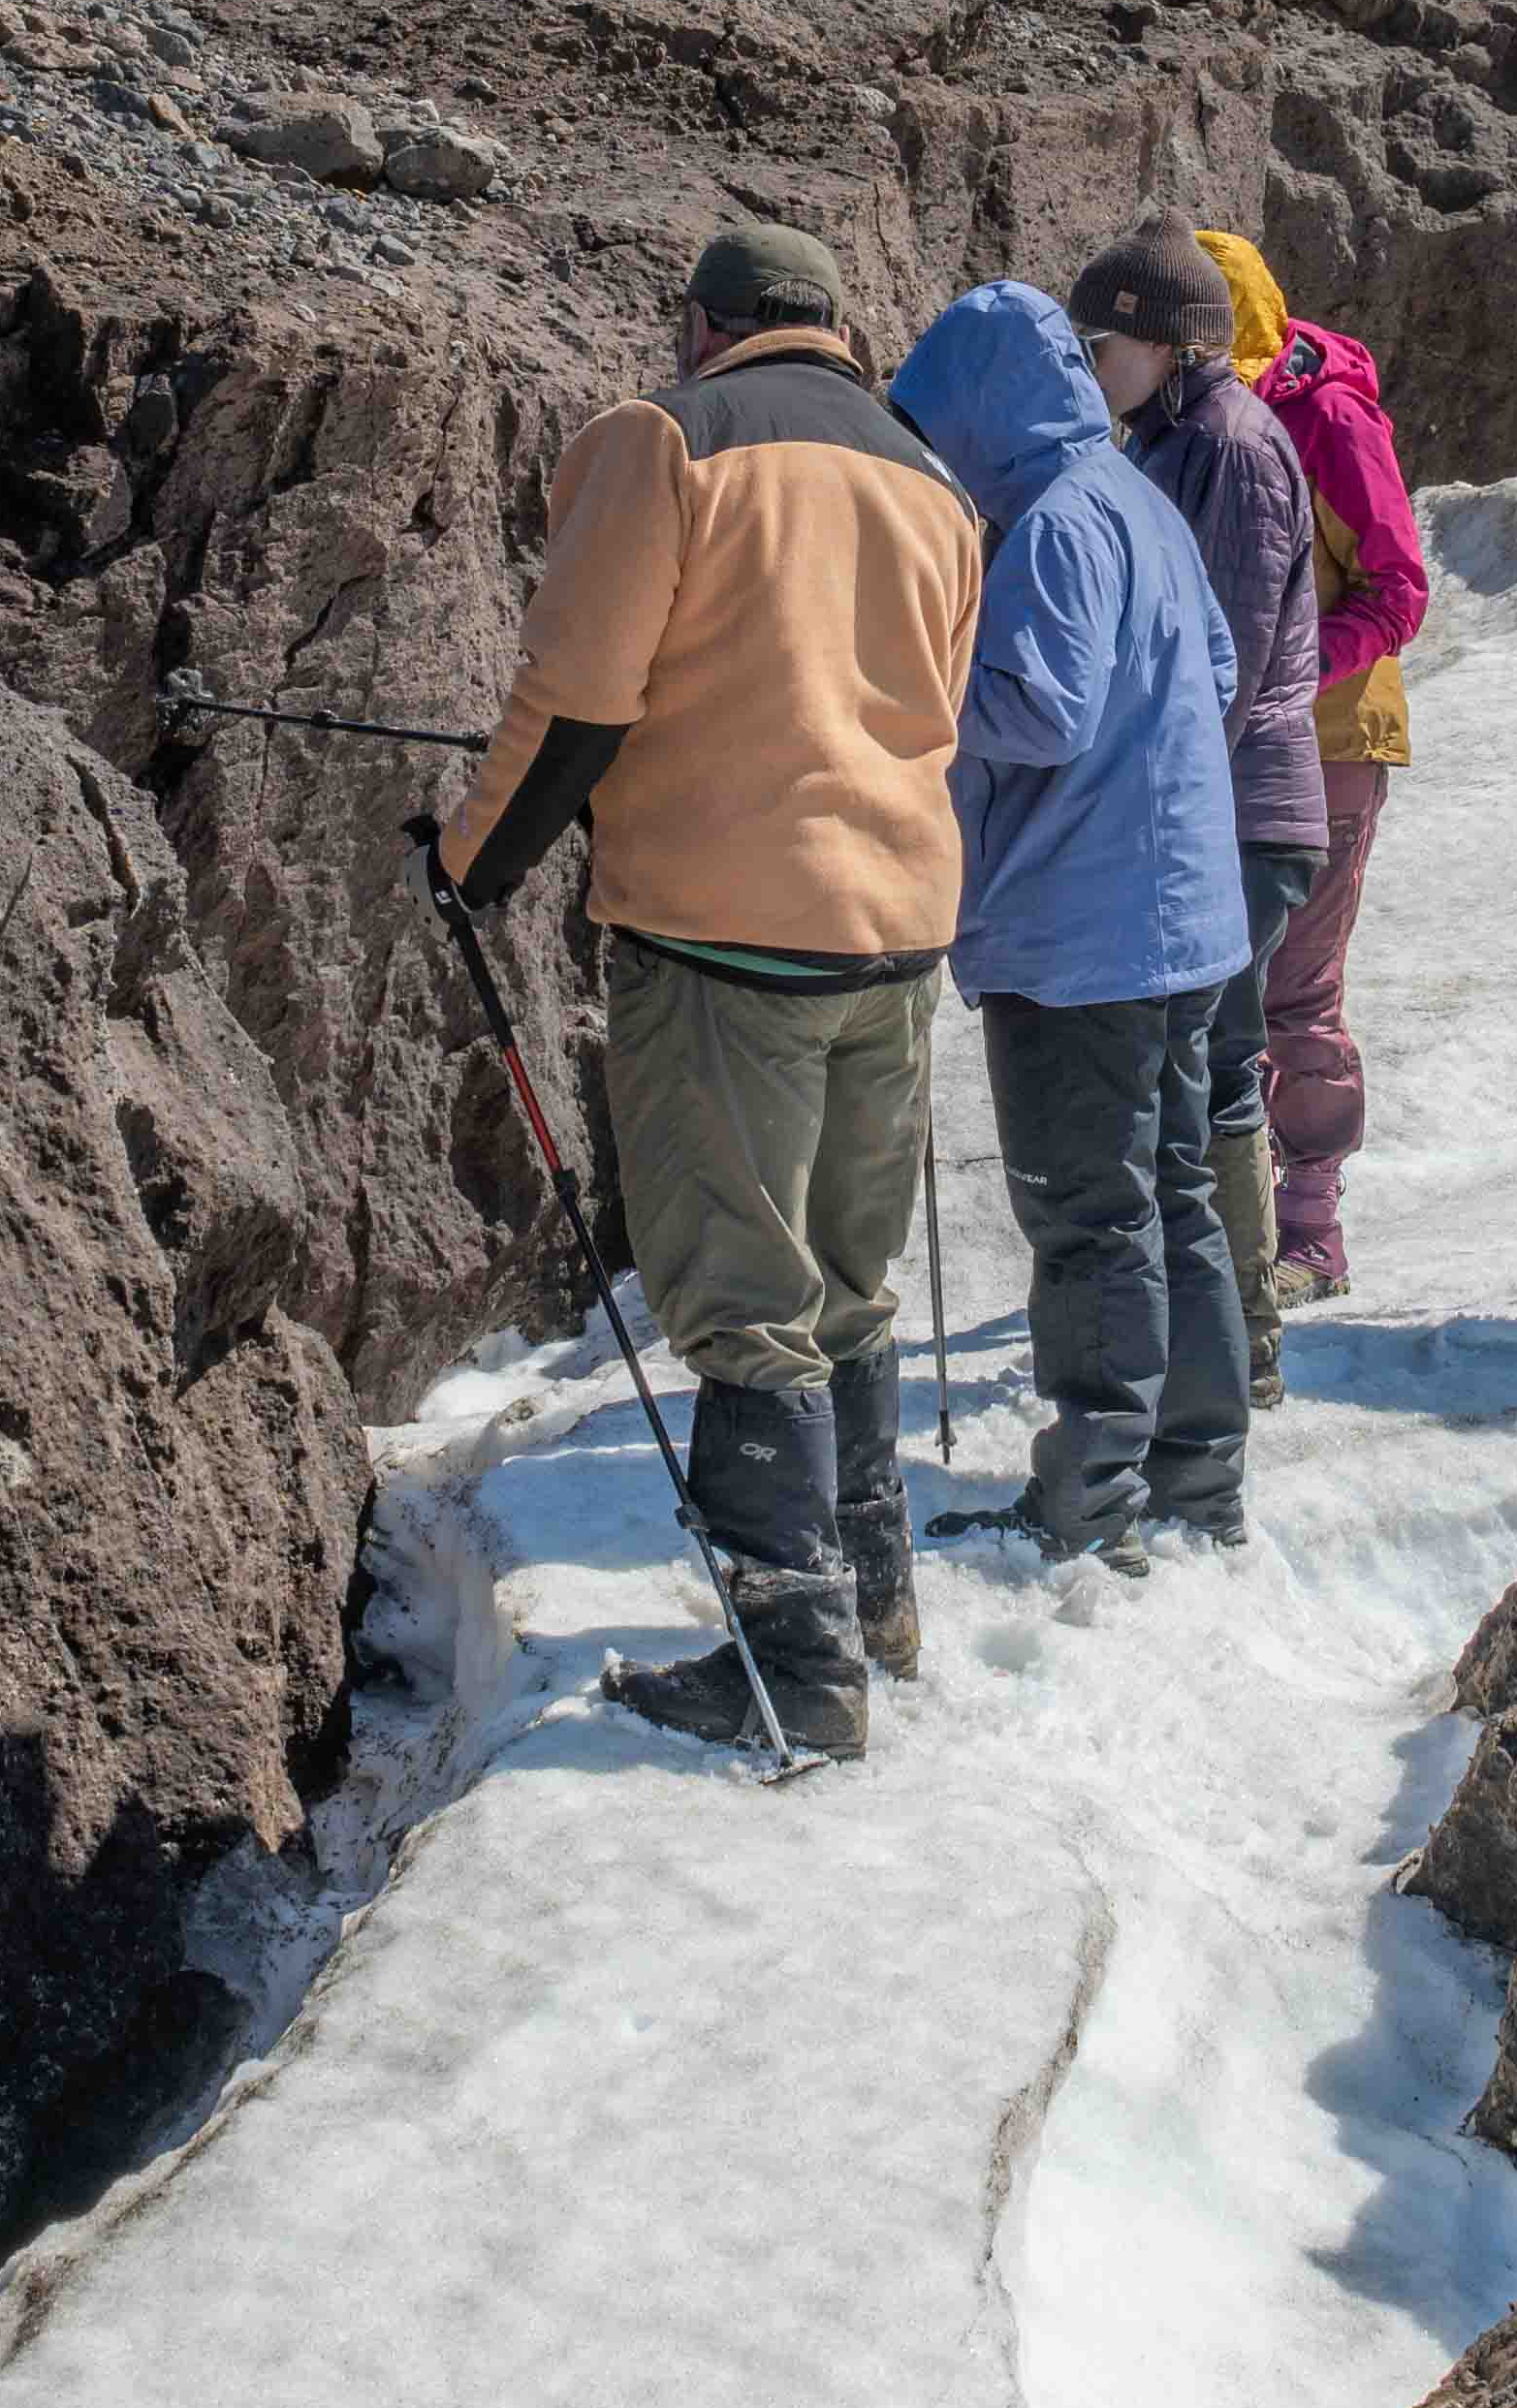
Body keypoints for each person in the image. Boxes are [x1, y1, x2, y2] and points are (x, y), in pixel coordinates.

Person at [441, 220, 984, 1761]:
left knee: (744, 1306)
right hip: (897, 930)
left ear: (702, 327)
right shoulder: (932, 477)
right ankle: (872, 1603)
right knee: (844, 1280)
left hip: (725, 942)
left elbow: (580, 692)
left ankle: (789, 1675)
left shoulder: (663, 443)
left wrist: (474, 865)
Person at [885, 276, 1256, 1568]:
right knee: (1174, 1196)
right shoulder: (1137, 498)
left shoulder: (1047, 521)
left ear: (981, 410)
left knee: (1090, 1214)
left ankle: (1091, 1503)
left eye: (936, 426)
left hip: (1084, 932)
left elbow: (1040, 711)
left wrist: (915, 680)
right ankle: (1196, 1476)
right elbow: (1214, 669)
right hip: (1179, 913)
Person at [1069, 222, 1324, 1389]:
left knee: (1211, 1064)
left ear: (1168, 340)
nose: (1089, 360)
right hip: (1219, 811)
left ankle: (1238, 1352)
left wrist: (1143, 795)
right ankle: (1222, 1346)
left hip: (1238, 812)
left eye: (1103, 339)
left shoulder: (1226, 444)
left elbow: (1214, 657)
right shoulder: (1173, 437)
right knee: (1204, 1060)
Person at [1205, 227, 1429, 1301]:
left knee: (1295, 988)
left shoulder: (1328, 416)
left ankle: (1309, 1228)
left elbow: (1399, 590)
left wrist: (1275, 672)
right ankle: (1228, 1220)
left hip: (1328, 742)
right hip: (1216, 739)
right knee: (1213, 983)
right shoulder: (1177, 421)